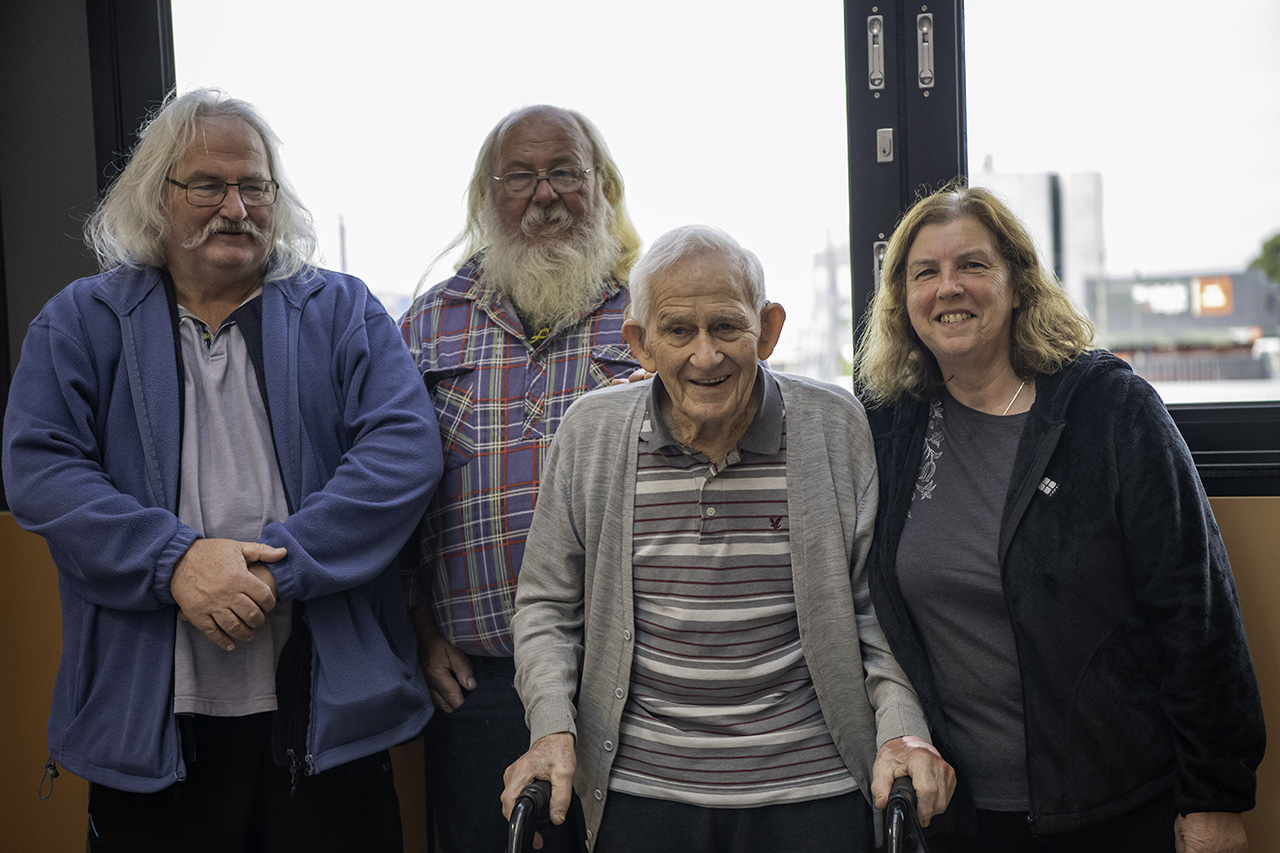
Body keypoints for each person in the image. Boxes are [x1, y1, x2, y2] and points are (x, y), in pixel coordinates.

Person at [2, 88, 442, 852]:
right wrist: (174, 562)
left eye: (255, 187)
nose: (235, 206)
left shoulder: (344, 312)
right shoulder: (81, 320)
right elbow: (42, 468)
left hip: (325, 717)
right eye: (207, 184)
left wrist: (281, 569)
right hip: (150, 728)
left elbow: (403, 453)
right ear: (156, 199)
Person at [500, 224, 956, 853]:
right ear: (640, 343)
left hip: (815, 789)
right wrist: (551, 728)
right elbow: (547, 608)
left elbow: (878, 614)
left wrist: (903, 733)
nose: (705, 355)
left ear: (767, 330)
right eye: (678, 331)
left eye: (727, 327)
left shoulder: (833, 426)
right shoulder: (591, 434)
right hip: (640, 794)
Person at [852, 184, 1265, 853]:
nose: (948, 287)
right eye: (925, 272)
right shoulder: (891, 425)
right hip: (960, 814)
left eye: (973, 266)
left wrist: (1213, 799)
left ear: (1018, 282)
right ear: (903, 300)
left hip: (1112, 805)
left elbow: (1198, 610)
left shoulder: (1110, 409)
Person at [400, 104, 643, 851]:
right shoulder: (428, 325)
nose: (545, 195)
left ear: (601, 187)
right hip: (478, 684)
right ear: (487, 196)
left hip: (631, 682)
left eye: (566, 172)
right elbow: (392, 497)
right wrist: (419, 624)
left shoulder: (653, 310)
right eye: (521, 177)